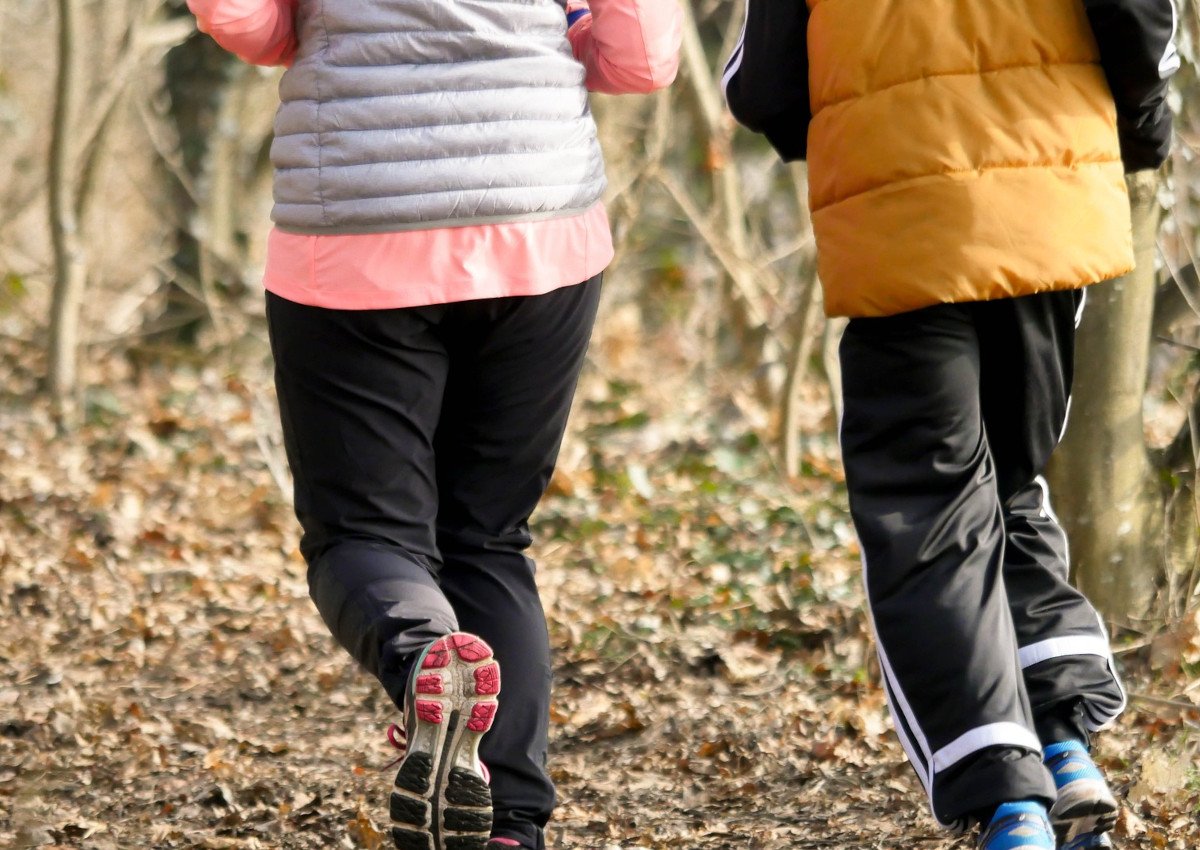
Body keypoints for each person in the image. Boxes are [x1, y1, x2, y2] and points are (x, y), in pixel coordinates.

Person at [185, 1, 682, 848]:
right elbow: (640, 56)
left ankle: (427, 657)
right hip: (536, 207)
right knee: (488, 534)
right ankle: (511, 823)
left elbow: (245, 22)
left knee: (362, 534)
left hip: (357, 218)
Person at [723, 2, 1177, 849]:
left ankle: (1011, 804)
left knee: (928, 516)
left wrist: (848, 127)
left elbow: (760, 83)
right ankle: (1065, 744)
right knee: (1011, 483)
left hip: (901, 219)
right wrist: (1139, 127)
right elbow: (1139, 18)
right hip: (1049, 202)